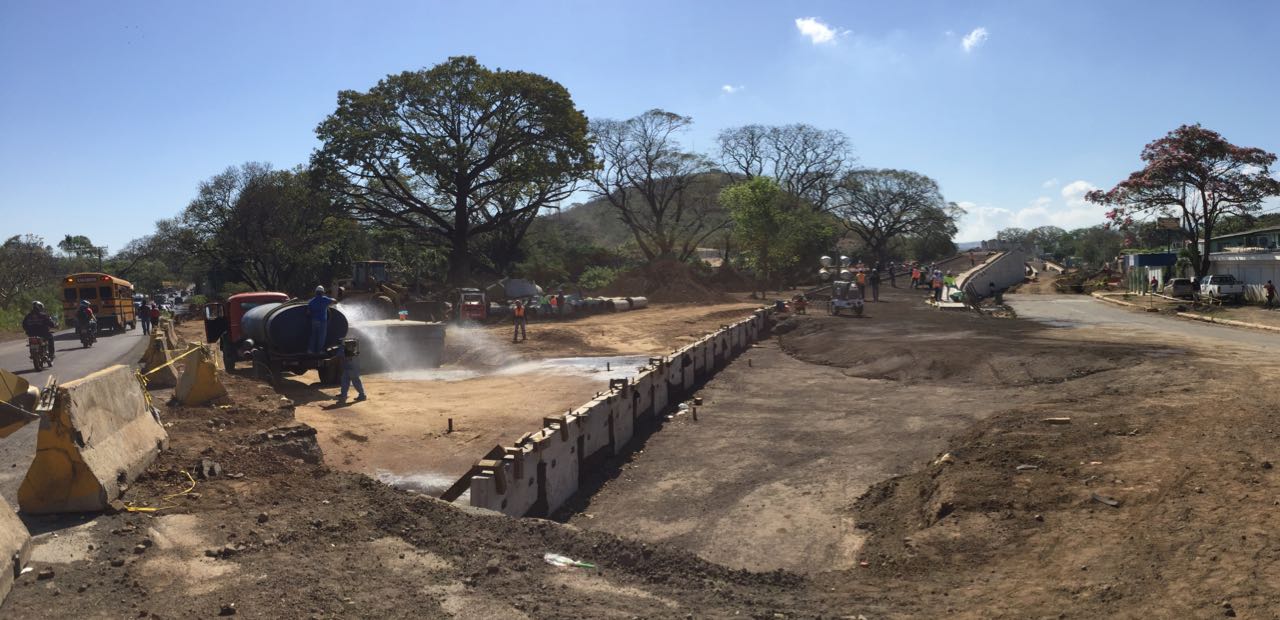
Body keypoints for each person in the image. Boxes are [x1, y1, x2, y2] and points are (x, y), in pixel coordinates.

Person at [334, 338, 367, 403]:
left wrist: (341, 346)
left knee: (356, 383)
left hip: (352, 370)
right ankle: (344, 395)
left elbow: (339, 355)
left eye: (349, 345)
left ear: (353, 346)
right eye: (347, 345)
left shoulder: (348, 353)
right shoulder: (352, 352)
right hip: (348, 369)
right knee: (344, 382)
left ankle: (362, 395)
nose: (347, 346)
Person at [306, 286, 337, 354]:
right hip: (322, 321)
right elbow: (334, 301)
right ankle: (319, 351)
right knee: (321, 337)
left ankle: (310, 350)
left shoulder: (311, 301)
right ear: (323, 293)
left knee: (313, 336)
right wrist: (332, 299)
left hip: (314, 321)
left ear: (315, 293)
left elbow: (308, 312)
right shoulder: (325, 299)